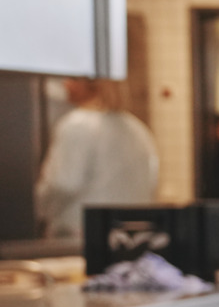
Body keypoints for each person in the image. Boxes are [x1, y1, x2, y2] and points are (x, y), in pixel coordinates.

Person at [36, 77, 158, 239]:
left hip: (81, 235)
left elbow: (63, 184)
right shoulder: (138, 128)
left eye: (72, 78)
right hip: (128, 237)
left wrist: (35, 211)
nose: (65, 84)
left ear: (88, 84)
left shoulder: (77, 125)